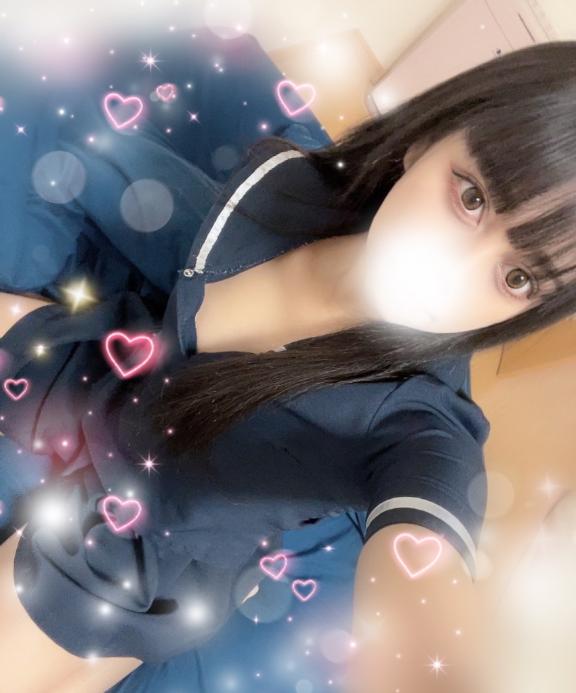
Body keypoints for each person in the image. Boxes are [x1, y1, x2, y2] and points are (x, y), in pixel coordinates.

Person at [0, 38, 575, 692]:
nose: (454, 271)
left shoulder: (422, 429)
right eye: (471, 198)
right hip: (109, 364)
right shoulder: (297, 186)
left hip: (140, 548)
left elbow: (426, 580)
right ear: (429, 137)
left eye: (519, 277)